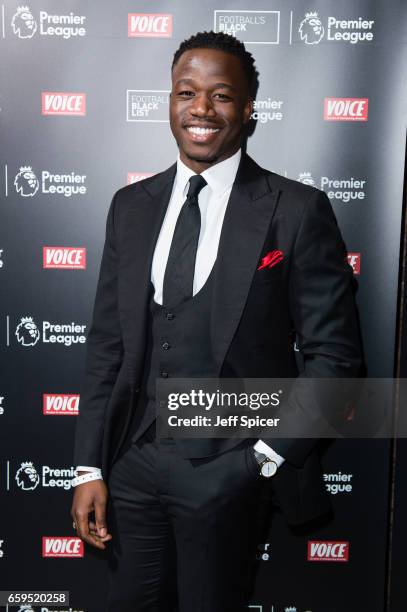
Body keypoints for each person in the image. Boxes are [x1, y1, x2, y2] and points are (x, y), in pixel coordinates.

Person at [70, 31, 362, 611]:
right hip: (133, 463)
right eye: (187, 92)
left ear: (249, 109)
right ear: (171, 102)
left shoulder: (297, 211)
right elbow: (108, 346)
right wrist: (88, 465)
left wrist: (260, 459)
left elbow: (336, 358)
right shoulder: (131, 208)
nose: (201, 109)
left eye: (221, 95)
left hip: (229, 466)